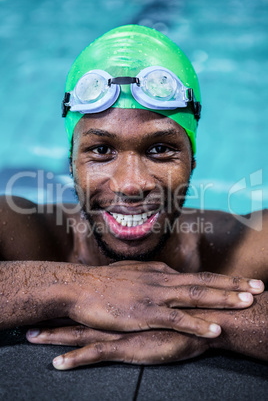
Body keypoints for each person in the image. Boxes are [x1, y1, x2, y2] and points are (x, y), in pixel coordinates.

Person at [0, 25, 267, 370]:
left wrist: (205, 322)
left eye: (159, 149)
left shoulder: (251, 241)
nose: (130, 185)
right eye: (101, 150)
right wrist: (77, 288)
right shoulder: (20, 227)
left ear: (193, 161)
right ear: (70, 162)